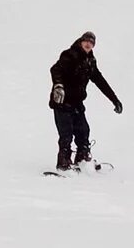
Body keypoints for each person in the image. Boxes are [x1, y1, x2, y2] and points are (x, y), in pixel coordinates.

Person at [49, 31, 122, 171]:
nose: (88, 44)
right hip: (62, 102)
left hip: (76, 103)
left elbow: (100, 81)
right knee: (66, 134)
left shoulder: (90, 61)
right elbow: (55, 69)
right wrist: (58, 86)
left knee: (83, 131)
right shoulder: (70, 55)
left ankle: (82, 160)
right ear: (81, 42)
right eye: (86, 41)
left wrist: (115, 100)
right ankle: (63, 164)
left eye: (91, 42)